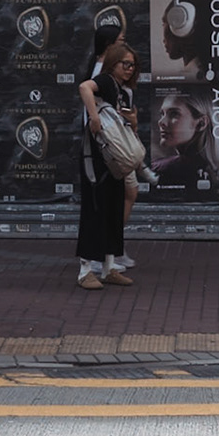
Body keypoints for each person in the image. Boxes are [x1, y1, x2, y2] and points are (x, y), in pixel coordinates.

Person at [76, 41, 140, 288]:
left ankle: (109, 266)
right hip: (97, 157)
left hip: (115, 159)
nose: (130, 70)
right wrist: (93, 117)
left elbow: (127, 126)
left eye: (133, 66)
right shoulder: (104, 81)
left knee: (113, 208)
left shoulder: (123, 90)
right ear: (113, 63)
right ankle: (84, 270)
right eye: (126, 64)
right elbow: (84, 87)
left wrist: (132, 122)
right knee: (95, 208)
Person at [151, 89, 219, 192]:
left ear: (201, 123)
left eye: (174, 114)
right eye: (162, 114)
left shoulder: (161, 170)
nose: (161, 122)